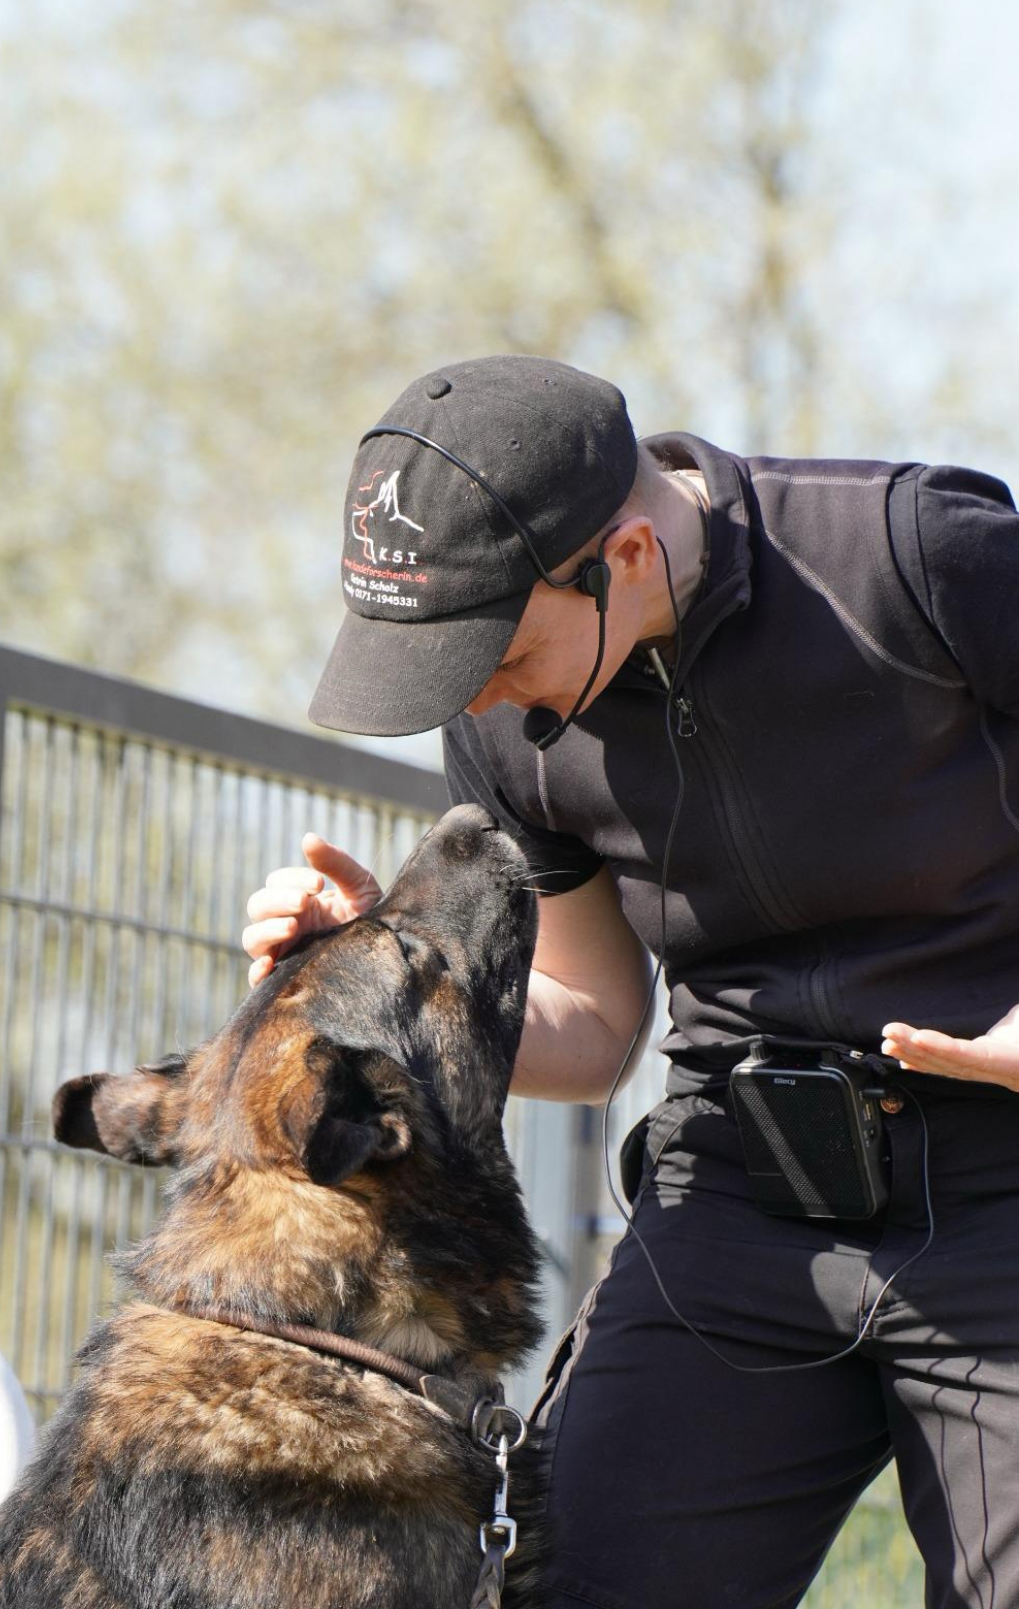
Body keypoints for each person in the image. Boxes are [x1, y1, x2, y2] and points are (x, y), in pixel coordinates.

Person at [242, 355, 1019, 1609]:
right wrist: (388, 976)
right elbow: (592, 1026)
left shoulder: (913, 557)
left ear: (628, 559)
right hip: (739, 1195)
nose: (479, 693)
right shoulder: (497, 726)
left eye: (494, 649)